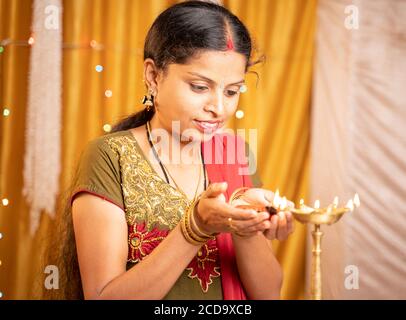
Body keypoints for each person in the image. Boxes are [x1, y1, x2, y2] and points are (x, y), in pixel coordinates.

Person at [52, 1, 294, 300]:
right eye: (199, 87)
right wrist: (195, 227)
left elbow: (268, 293)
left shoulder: (233, 152)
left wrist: (244, 225)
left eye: (232, 91)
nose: (219, 108)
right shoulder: (110, 155)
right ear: (154, 76)